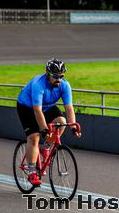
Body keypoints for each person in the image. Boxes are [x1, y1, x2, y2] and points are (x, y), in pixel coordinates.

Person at [16, 58, 81, 186]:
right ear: (47, 73)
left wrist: (73, 126)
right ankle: (32, 171)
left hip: (47, 106)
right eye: (55, 76)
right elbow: (37, 110)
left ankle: (46, 147)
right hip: (27, 107)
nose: (58, 79)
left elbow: (69, 108)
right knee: (34, 137)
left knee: (61, 122)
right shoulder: (38, 84)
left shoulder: (65, 85)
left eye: (61, 76)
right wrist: (44, 129)